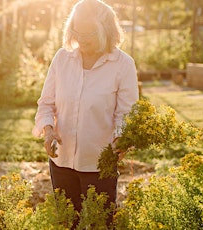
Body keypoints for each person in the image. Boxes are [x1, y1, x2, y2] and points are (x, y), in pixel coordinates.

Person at [32, 0, 139, 226]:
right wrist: (48, 130)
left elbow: (126, 114)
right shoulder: (62, 58)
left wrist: (121, 138)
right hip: (61, 163)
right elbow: (46, 103)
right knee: (67, 222)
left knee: (98, 223)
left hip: (99, 166)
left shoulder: (123, 65)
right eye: (76, 31)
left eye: (89, 34)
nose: (81, 39)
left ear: (106, 31)